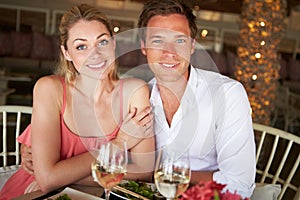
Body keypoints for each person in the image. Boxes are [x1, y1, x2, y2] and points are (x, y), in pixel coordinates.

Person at [0, 4, 155, 199]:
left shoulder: (135, 91)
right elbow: (47, 180)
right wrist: (117, 144)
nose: (95, 54)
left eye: (102, 42)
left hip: (96, 194)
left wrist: (61, 175)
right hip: (37, 192)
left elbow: (144, 171)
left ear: (114, 44)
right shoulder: (50, 89)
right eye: (82, 46)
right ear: (66, 53)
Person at [137, 0, 256, 198]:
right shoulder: (139, 97)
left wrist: (169, 176)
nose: (169, 52)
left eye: (180, 40)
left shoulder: (227, 94)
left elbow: (239, 184)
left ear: (192, 45)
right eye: (157, 40)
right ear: (143, 47)